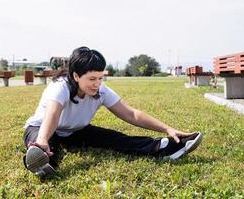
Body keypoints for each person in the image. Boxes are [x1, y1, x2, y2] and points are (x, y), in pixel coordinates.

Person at [23, 46, 202, 178]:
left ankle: (163, 146)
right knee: (48, 148)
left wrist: (167, 128)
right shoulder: (60, 87)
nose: (97, 83)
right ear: (76, 76)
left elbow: (132, 114)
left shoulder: (101, 91)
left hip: (75, 132)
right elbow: (52, 116)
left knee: (112, 137)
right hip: (41, 128)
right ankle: (42, 160)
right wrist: (42, 140)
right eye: (92, 79)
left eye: (100, 78)